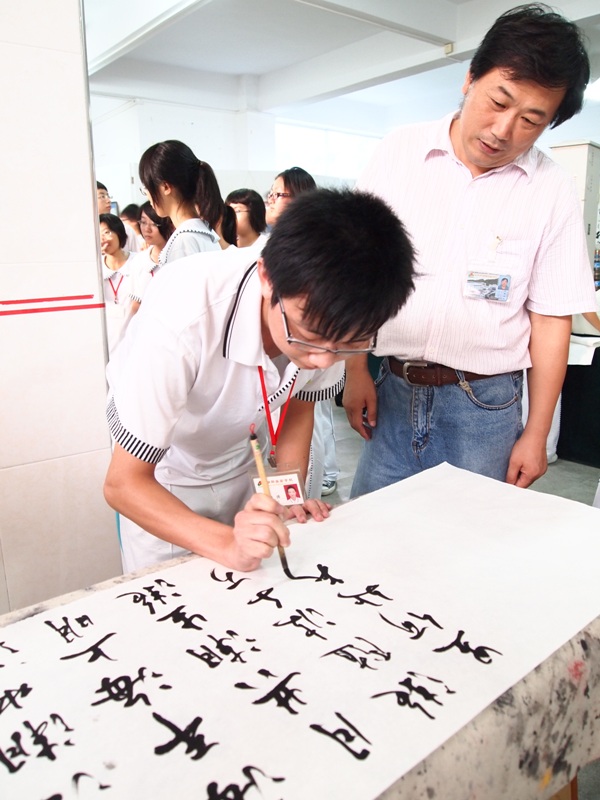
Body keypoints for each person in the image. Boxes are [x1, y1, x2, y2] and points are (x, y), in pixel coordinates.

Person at [345, 3, 596, 497]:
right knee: (370, 530)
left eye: (530, 120)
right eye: (498, 102)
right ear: (470, 78)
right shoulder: (399, 151)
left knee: (470, 538)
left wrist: (537, 433)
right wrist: (355, 369)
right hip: (393, 388)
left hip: (485, 407)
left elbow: (551, 320)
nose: (503, 131)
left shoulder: (550, 188)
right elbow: (357, 273)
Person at [104, 189, 415, 574]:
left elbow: (300, 409)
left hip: (241, 461)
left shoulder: (335, 322)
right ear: (267, 277)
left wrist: (287, 497)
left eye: (348, 346)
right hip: (165, 475)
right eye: (309, 335)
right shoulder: (184, 314)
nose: (323, 359)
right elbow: (123, 483)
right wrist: (227, 543)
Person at [138, 140, 222, 266]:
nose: (147, 195)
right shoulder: (205, 232)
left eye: (147, 187)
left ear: (166, 187)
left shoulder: (183, 242)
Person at [99, 213, 138, 354]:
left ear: (119, 233)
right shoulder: (96, 268)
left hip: (134, 342)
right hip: (107, 345)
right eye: (98, 234)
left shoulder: (138, 262)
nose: (102, 238)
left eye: (107, 232)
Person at [128, 201, 175, 315]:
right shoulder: (139, 261)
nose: (147, 229)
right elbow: (136, 304)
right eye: (143, 222)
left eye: (154, 224)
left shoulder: (178, 256)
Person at [97, 182, 140, 252]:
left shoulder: (125, 229)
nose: (108, 200)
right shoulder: (85, 231)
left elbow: (136, 255)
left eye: (108, 196)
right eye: (102, 196)